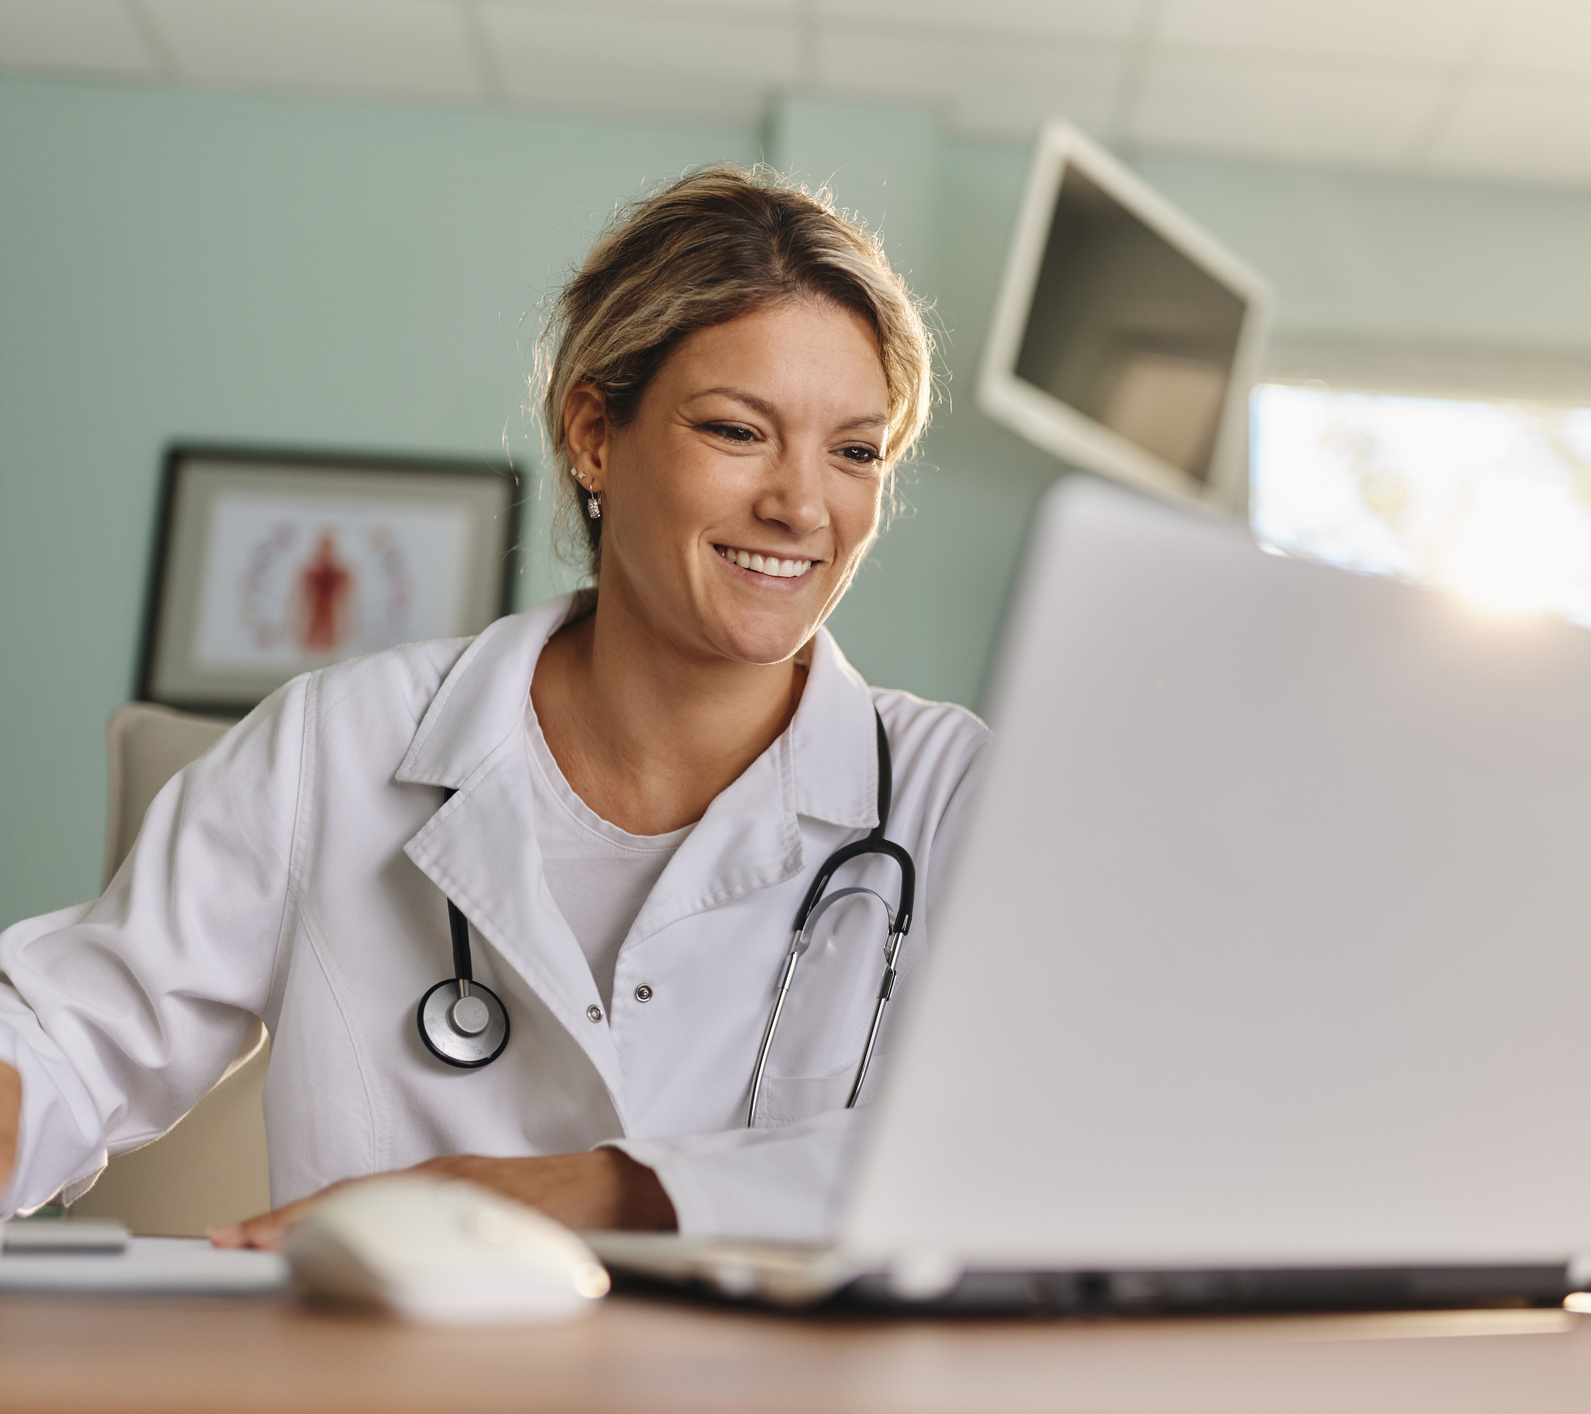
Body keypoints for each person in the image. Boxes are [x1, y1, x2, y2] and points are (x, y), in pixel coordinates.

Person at [0, 167, 989, 1247]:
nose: (801, 504)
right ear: (594, 433)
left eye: (854, 451)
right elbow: (64, 1036)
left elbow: (1038, 1135)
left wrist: (598, 1191)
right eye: (736, 430)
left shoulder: (950, 794)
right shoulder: (340, 744)